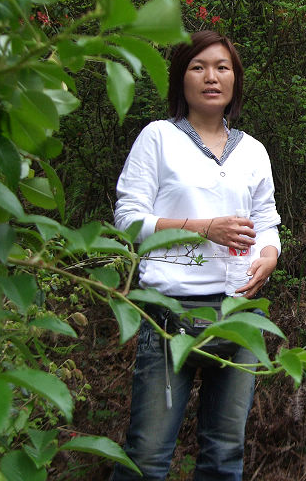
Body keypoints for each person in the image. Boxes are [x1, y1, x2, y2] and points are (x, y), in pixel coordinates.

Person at [111, 30, 281, 481]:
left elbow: (267, 219)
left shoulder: (254, 151)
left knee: (225, 453)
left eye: (222, 67)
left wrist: (269, 254)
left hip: (238, 313)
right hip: (170, 313)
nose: (211, 77)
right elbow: (128, 220)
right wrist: (203, 228)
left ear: (235, 81)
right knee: (148, 453)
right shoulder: (159, 138)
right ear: (180, 79)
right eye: (198, 67)